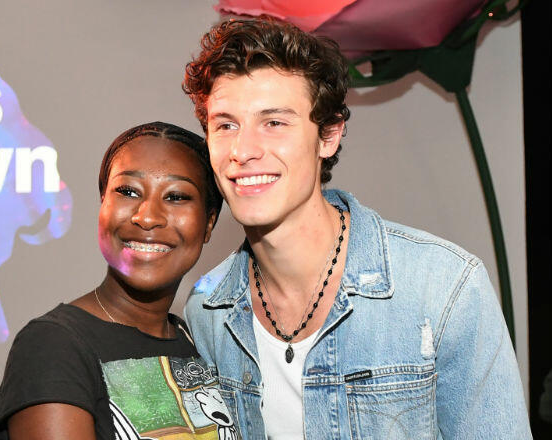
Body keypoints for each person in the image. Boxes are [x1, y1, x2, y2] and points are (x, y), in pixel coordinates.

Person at [181, 19, 531, 439]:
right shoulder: (206, 310)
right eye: (225, 125)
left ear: (328, 136)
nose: (242, 151)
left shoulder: (443, 288)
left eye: (274, 122)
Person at [0, 122, 242, 440]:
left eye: (176, 197)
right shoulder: (54, 344)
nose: (147, 217)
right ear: (103, 204)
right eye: (128, 192)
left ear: (208, 224)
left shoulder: (204, 344)